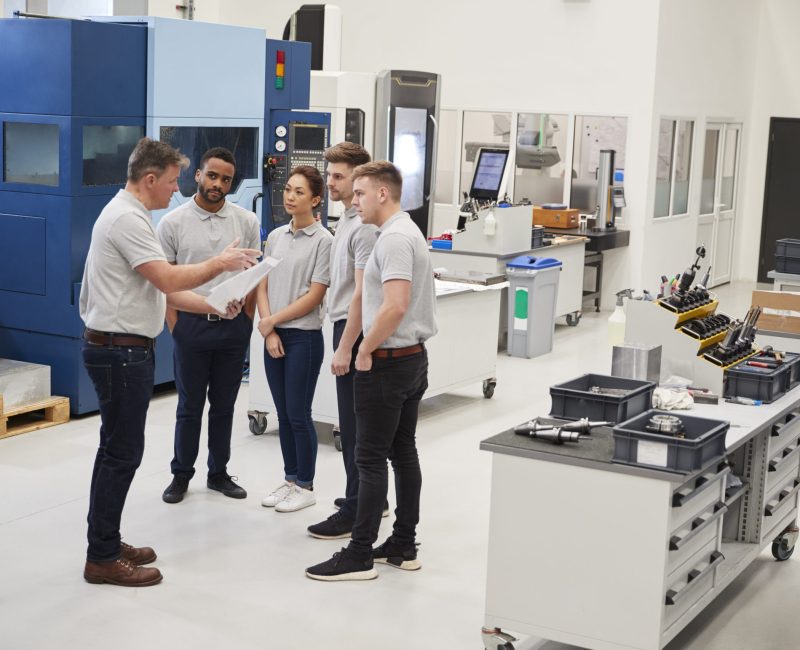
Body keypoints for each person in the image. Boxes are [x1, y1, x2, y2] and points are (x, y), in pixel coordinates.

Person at [80, 137, 260, 587]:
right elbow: (167, 276)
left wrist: (215, 308)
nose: (177, 188)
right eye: (173, 179)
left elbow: (163, 290)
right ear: (149, 179)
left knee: (115, 451)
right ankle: (101, 555)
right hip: (119, 351)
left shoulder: (132, 215)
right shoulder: (128, 219)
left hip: (123, 348)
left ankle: (105, 538)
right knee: (121, 455)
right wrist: (220, 264)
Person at [306, 161, 437, 581]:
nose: (352, 200)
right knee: (402, 452)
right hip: (410, 360)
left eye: (360, 193)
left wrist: (364, 348)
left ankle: (359, 553)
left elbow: (395, 305)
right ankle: (402, 543)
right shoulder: (399, 232)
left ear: (383, 193)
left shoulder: (395, 239)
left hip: (390, 364)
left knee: (369, 459)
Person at [157, 147, 261, 504]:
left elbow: (254, 276)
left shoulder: (246, 222)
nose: (218, 184)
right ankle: (181, 475)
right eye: (212, 175)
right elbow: (164, 283)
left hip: (232, 330)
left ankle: (218, 473)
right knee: (189, 406)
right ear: (198, 175)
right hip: (191, 328)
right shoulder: (172, 223)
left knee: (224, 406)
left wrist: (246, 319)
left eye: (226, 179)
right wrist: (176, 327)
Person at [306, 142, 382, 540]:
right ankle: (370, 498)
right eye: (329, 174)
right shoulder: (348, 220)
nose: (330, 182)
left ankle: (356, 509)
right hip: (343, 325)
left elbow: (362, 293)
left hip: (353, 330)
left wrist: (345, 346)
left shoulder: (365, 226)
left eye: (338, 176)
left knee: (354, 428)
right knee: (355, 425)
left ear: (359, 176)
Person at [256, 166, 333, 513]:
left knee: (299, 413)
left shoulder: (324, 241)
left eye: (299, 192)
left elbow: (315, 295)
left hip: (303, 337)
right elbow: (262, 283)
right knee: (282, 414)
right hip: (273, 335)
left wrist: (273, 320)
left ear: (316, 199)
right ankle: (290, 480)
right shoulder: (275, 237)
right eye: (288, 189)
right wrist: (268, 329)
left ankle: (306, 485)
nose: (290, 196)